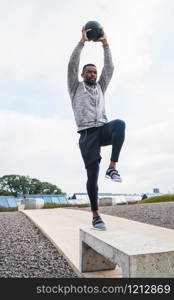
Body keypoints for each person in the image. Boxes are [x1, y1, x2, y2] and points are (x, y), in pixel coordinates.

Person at [67, 26, 126, 230]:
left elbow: (110, 68)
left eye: (94, 72)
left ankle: (112, 168)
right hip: (86, 135)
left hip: (102, 129)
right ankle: (95, 215)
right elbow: (72, 65)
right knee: (92, 176)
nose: (92, 74)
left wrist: (105, 44)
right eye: (89, 71)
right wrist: (82, 42)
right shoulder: (75, 88)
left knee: (119, 124)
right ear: (83, 74)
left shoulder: (101, 86)